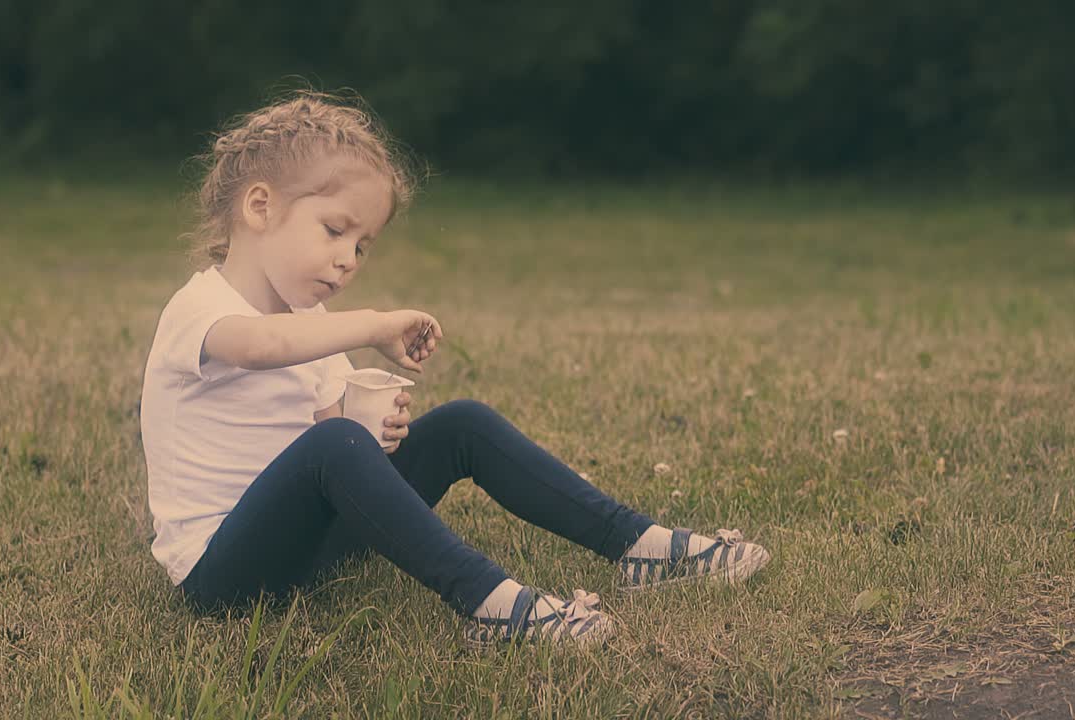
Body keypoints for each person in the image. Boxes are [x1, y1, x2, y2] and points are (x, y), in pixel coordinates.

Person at [139, 89, 770, 649]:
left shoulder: (318, 322)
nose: (348, 260)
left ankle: (641, 546)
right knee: (337, 445)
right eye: (334, 231)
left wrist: (374, 433)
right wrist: (374, 326)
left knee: (459, 424)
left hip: (308, 554)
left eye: (362, 245)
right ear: (258, 207)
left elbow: (326, 437)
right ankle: (491, 605)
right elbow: (261, 347)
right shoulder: (201, 309)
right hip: (222, 574)